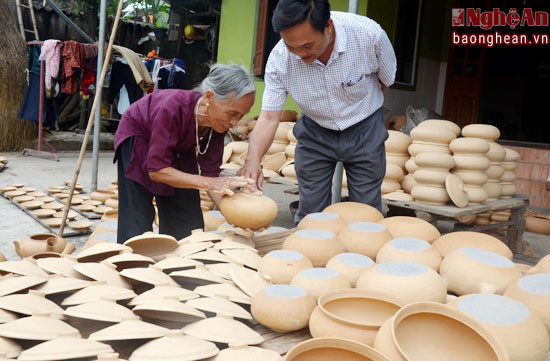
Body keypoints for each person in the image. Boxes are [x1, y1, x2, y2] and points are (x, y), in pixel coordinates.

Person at [239, 0, 396, 224]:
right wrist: (253, 161)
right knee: (311, 210)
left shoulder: (368, 35)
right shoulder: (280, 59)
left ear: (328, 26)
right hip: (315, 129)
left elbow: (385, 80)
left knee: (366, 211)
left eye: (307, 46)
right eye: (290, 46)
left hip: (365, 127)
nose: (299, 54)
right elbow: (269, 118)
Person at [114, 63, 256, 243]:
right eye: (232, 113)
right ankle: (133, 263)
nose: (235, 123)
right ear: (209, 97)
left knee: (188, 221)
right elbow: (157, 170)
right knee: (137, 218)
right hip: (138, 138)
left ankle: (182, 258)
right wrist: (210, 183)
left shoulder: (218, 124)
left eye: (241, 116)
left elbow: (210, 174)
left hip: (180, 146)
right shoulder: (171, 108)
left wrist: (239, 216)